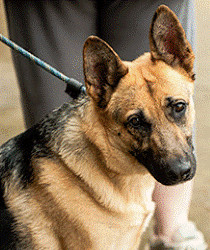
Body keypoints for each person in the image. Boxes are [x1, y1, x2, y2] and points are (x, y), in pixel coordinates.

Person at [4, 0, 207, 249]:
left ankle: (174, 233)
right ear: (99, 85)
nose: (179, 162)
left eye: (177, 108)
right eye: (137, 122)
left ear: (180, 57)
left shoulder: (172, 70)